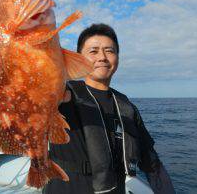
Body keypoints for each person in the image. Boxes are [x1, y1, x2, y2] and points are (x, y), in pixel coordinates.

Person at [42, 24, 175, 194]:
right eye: (93, 51)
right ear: (78, 58)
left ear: (117, 57)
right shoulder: (62, 94)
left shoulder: (127, 107)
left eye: (109, 51)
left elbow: (152, 163)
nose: (102, 57)